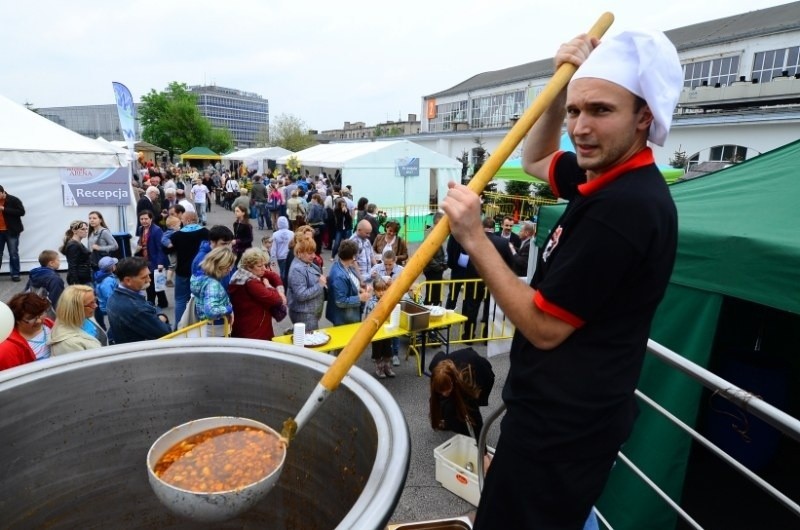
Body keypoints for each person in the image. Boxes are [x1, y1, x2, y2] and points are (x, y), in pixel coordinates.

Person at [441, 30, 682, 529]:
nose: (580, 128)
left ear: (644, 117)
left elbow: (545, 328)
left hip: (563, 431)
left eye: (600, 110)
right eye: (575, 112)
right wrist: (556, 91)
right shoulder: (602, 175)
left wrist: (475, 238)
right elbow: (534, 159)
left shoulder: (624, 208)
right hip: (560, 418)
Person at [428, 347, 495, 438]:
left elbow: (476, 417)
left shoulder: (465, 383)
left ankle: (466, 439)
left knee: (468, 406)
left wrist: (481, 448)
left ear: (452, 382)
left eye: (446, 390)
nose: (444, 394)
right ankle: (458, 429)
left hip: (481, 372)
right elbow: (440, 353)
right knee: (448, 407)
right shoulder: (436, 367)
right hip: (461, 362)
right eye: (440, 391)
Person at [107, 257, 172, 344]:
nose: (149, 280)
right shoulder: (136, 308)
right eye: (144, 277)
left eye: (148, 275)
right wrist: (162, 315)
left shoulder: (114, 296)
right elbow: (166, 332)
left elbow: (150, 305)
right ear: (128, 280)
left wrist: (156, 314)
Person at [228, 248, 286, 340]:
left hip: (246, 327)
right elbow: (276, 299)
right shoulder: (251, 283)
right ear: (249, 267)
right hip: (255, 330)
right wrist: (269, 287)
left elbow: (273, 275)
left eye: (264, 265)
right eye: (259, 266)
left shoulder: (241, 274)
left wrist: (281, 292)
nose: (264, 269)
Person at [172, 212, 210, 327]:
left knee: (180, 299)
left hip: (182, 271)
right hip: (201, 271)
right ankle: (198, 324)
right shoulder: (206, 233)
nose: (181, 221)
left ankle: (179, 326)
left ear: (187, 220)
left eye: (182, 219)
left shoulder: (176, 235)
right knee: (200, 298)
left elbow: (167, 249)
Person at [0, 292, 54, 369]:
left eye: (41, 313)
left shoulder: (48, 324)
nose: (39, 321)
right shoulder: (9, 348)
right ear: (17, 320)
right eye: (31, 318)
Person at [325, 239, 370, 326]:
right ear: (353, 256)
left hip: (348, 316)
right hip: (345, 319)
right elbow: (341, 301)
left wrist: (359, 289)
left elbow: (350, 285)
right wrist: (360, 298)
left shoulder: (343, 265)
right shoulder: (340, 276)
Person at [49, 285, 104, 355]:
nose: (96, 306)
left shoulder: (84, 317)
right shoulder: (68, 344)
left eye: (95, 300)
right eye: (91, 303)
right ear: (76, 309)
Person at [286, 238, 326, 331]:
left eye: (313, 252)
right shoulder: (297, 269)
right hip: (304, 315)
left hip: (310, 313)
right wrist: (320, 285)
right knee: (308, 342)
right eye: (309, 253)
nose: (313, 256)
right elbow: (301, 295)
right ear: (299, 253)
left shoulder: (307, 262)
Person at [191, 246, 235, 324]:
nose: (230, 269)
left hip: (206, 326)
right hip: (216, 328)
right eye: (228, 266)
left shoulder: (199, 277)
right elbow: (211, 311)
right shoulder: (213, 285)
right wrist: (229, 309)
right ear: (219, 265)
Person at [134, 210, 169, 308]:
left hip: (155, 260)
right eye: (141, 219)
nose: (144, 221)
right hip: (145, 260)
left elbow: (161, 248)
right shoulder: (141, 229)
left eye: (146, 219)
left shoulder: (157, 230)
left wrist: (160, 262)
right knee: (149, 282)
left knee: (155, 282)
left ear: (151, 219)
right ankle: (155, 302)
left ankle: (156, 302)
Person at [362, 277, 395, 378]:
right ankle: (379, 369)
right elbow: (367, 317)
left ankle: (387, 368)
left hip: (386, 329)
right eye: (378, 291)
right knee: (378, 351)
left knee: (388, 350)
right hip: (376, 331)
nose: (381, 293)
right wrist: (373, 320)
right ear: (374, 291)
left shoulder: (388, 299)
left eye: (383, 290)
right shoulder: (371, 302)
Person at [0, 184, 26, 281]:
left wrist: (4, 209)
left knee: (13, 253)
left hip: (11, 231)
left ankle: (15, 274)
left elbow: (21, 212)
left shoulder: (13, 200)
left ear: (3, 192)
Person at [423, 212, 448, 306]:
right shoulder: (430, 234)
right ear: (437, 222)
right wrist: (438, 267)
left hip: (436, 267)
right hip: (432, 268)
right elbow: (427, 254)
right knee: (432, 294)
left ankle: (433, 308)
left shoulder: (437, 232)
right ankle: (428, 311)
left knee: (435, 292)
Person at [60, 220, 92, 286]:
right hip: (80, 280)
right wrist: (76, 284)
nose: (86, 231)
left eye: (86, 229)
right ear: (74, 231)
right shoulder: (73, 245)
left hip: (84, 277)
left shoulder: (78, 243)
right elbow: (72, 266)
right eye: (83, 229)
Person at [93, 256, 119, 334]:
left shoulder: (101, 276)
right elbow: (109, 296)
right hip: (108, 306)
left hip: (104, 305)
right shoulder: (108, 281)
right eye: (114, 264)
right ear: (112, 267)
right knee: (115, 325)